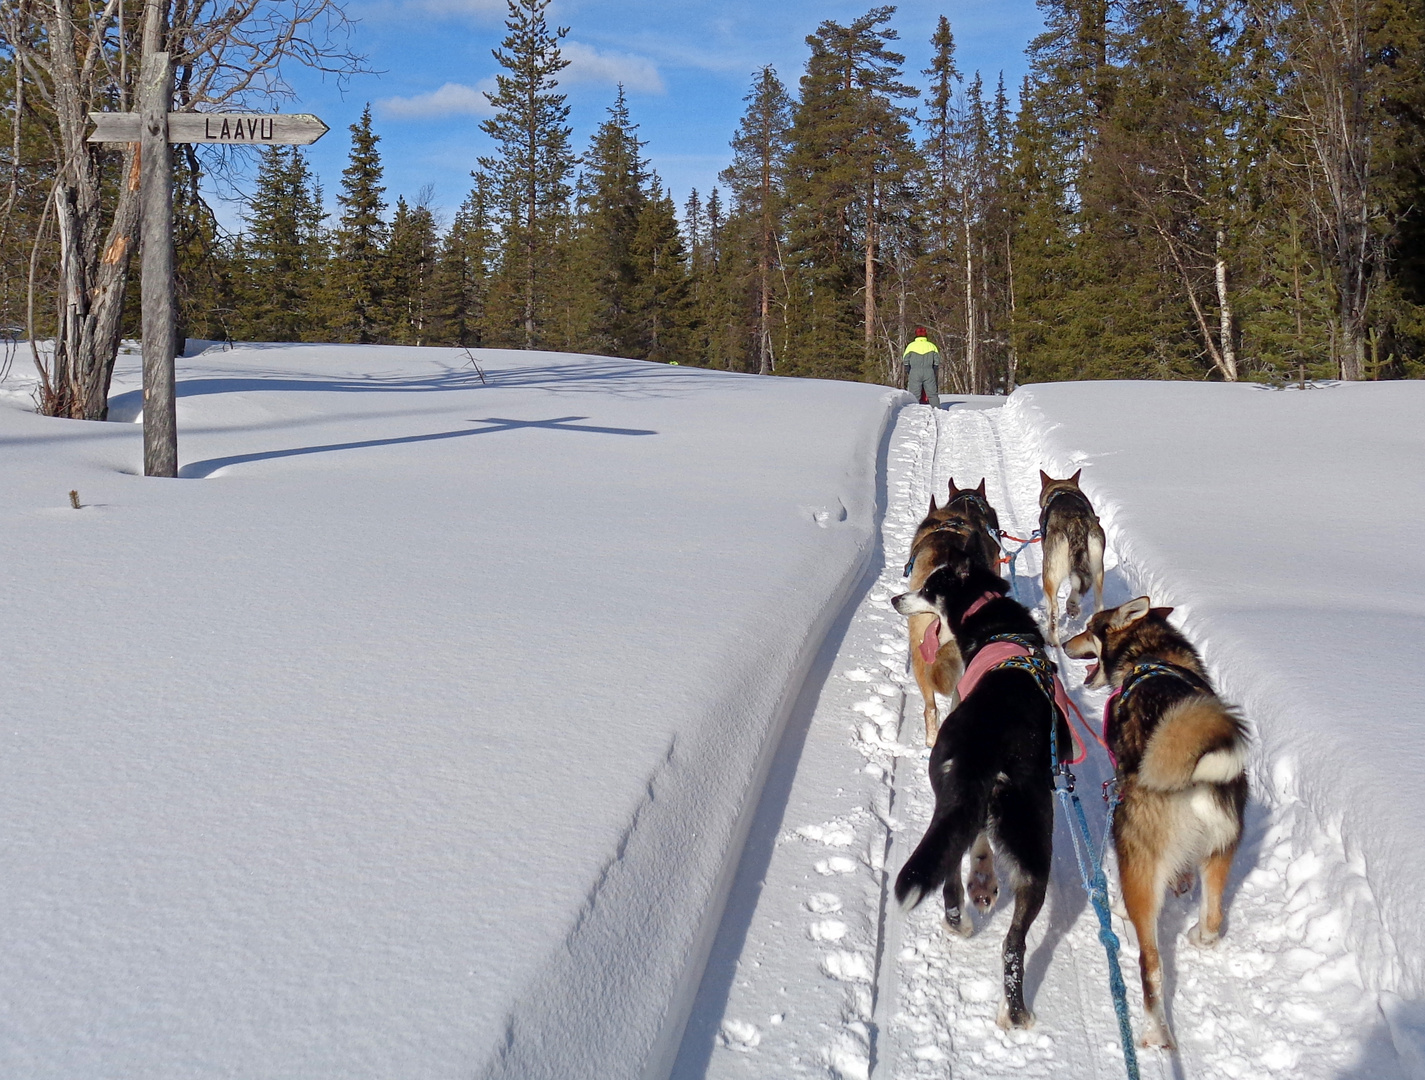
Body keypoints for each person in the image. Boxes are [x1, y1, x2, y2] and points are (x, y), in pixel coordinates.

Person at [903, 327, 941, 408]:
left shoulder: (911, 346)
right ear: (925, 335)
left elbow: (905, 359)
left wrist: (908, 369)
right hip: (929, 371)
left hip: (914, 371)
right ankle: (937, 409)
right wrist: (934, 369)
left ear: (916, 335)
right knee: (932, 394)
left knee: (914, 394)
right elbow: (937, 360)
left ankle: (914, 411)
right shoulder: (932, 346)